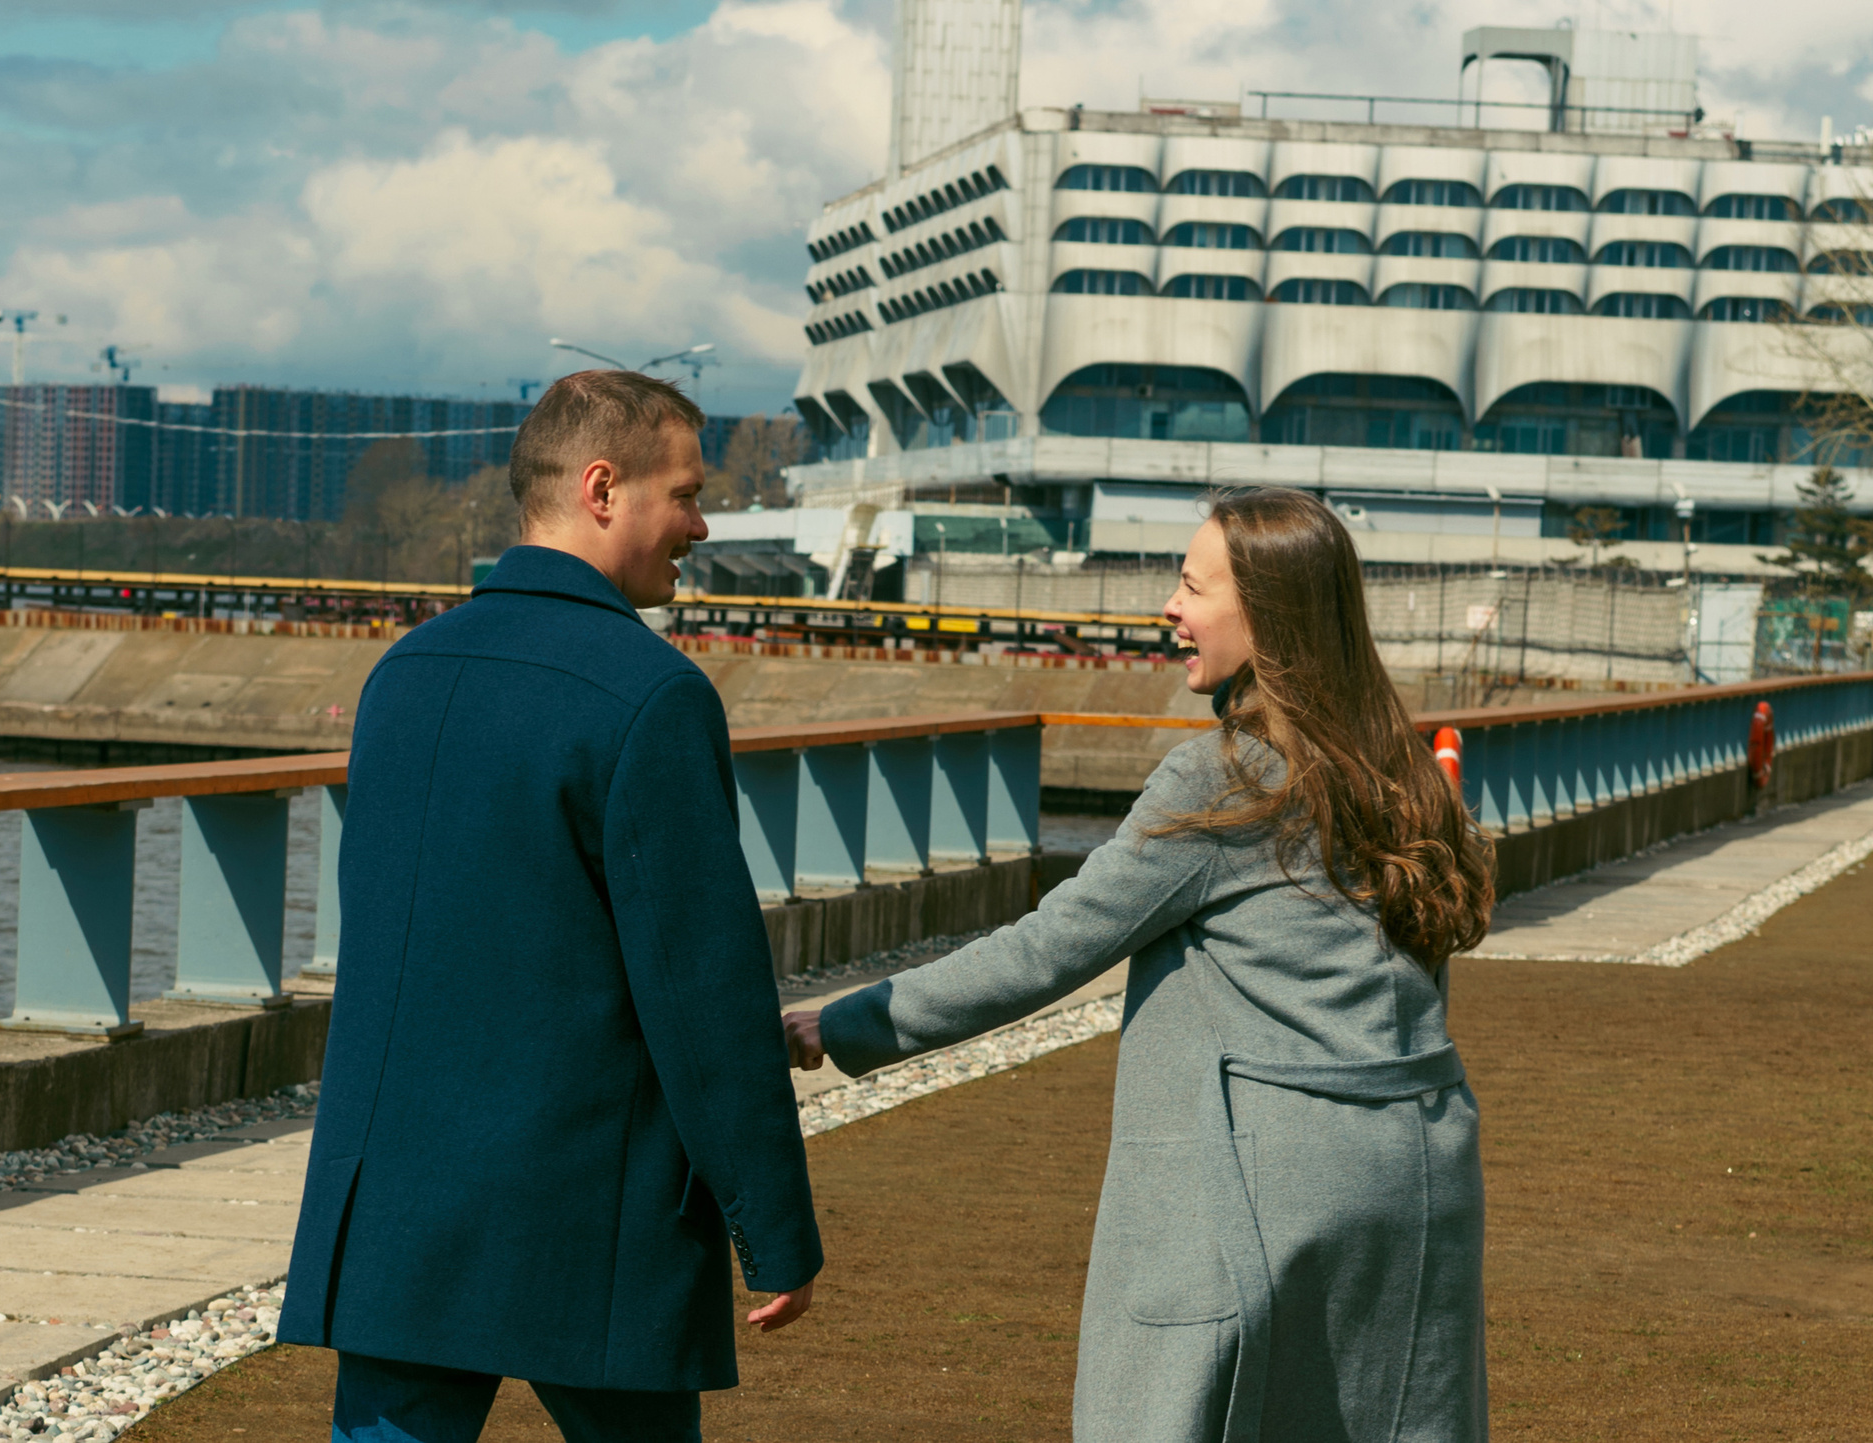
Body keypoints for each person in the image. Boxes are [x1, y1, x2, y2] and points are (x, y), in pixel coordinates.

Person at [789, 485, 1493, 1443]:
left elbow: (1051, 945)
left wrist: (843, 1020)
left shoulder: (1223, 780)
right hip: (1416, 1174)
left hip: (1269, 1185)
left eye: (1192, 585)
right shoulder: (1403, 773)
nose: (1170, 605)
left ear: (1268, 615)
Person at [279, 369, 821, 1443]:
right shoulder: (651, 694)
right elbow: (700, 992)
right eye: (687, 493)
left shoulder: (405, 674)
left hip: (398, 1201)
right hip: (590, 1204)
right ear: (604, 488)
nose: (701, 524)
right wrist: (775, 1230)